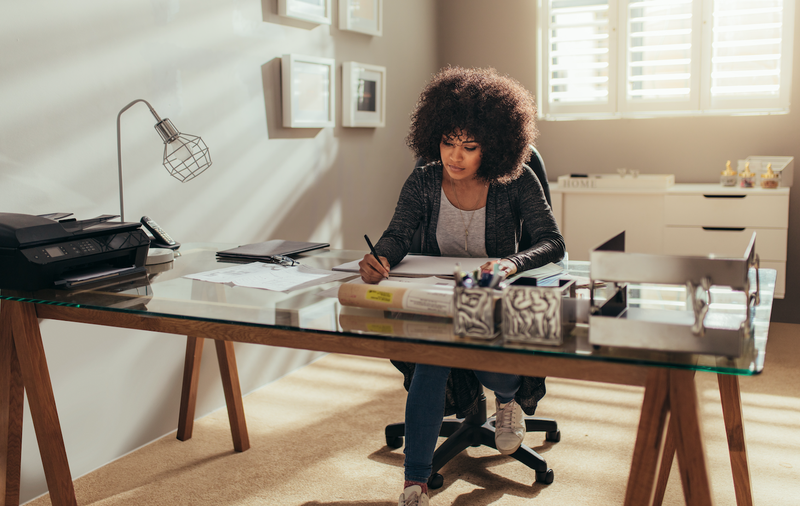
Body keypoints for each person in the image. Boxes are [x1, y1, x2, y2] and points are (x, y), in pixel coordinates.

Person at [357, 66, 566, 506]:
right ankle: (415, 483)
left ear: (493, 147)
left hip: (492, 294)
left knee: (477, 349)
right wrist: (381, 258)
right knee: (433, 355)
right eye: (448, 142)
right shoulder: (425, 180)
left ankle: (505, 401)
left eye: (469, 147)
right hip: (440, 295)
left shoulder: (516, 180)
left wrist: (510, 264)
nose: (455, 156)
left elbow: (553, 241)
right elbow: (397, 234)